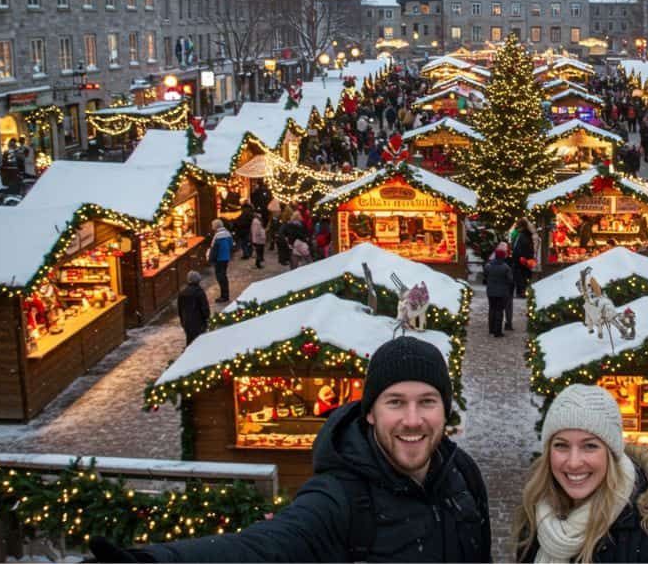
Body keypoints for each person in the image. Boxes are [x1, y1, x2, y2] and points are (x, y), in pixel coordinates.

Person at [89, 336, 492, 563]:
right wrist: (156, 562)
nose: (412, 419)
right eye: (395, 402)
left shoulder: (463, 475)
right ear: (369, 413)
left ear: (444, 410)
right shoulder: (340, 496)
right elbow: (266, 547)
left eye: (427, 401)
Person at [513, 384, 648, 563]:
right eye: (561, 445)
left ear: (611, 455)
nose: (574, 462)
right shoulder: (538, 515)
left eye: (590, 446)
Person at [484, 245, 513, 338]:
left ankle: (491, 329)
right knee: (499, 311)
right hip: (502, 293)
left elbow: (485, 276)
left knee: (492, 309)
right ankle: (498, 331)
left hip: (491, 292)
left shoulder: (488, 266)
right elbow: (510, 280)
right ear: (503, 257)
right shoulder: (506, 267)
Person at [176, 271, 209, 345]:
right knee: (199, 342)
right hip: (198, 321)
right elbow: (204, 307)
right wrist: (207, 317)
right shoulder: (199, 292)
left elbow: (180, 309)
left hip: (186, 321)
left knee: (190, 340)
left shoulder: (182, 293)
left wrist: (182, 320)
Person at [209, 219, 233, 303]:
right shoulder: (227, 233)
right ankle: (225, 294)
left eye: (213, 226)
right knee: (224, 276)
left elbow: (213, 249)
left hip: (219, 259)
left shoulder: (217, 236)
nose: (212, 228)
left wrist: (210, 259)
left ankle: (224, 296)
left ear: (216, 226)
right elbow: (231, 244)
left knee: (220, 277)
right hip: (226, 258)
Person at [511, 218, 535, 298]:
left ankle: (521, 292)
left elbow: (517, 248)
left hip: (520, 259)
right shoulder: (528, 235)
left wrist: (517, 257)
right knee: (524, 276)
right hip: (526, 259)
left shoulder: (521, 235)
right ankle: (522, 291)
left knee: (520, 276)